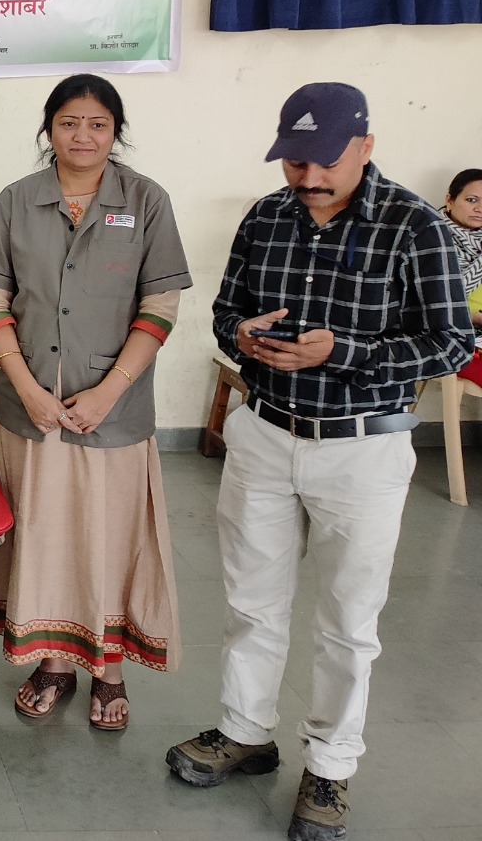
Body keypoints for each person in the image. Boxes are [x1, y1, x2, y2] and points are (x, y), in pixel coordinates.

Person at [166, 83, 473, 841]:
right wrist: (244, 334)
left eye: (325, 161)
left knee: (347, 619)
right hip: (265, 434)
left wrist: (345, 353)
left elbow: (452, 343)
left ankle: (330, 767)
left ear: (365, 146)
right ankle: (245, 731)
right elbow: (225, 309)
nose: (308, 178)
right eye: (295, 161)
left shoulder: (416, 227)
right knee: (251, 602)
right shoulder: (266, 216)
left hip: (363, 447)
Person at [0, 73, 190, 731]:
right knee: (42, 534)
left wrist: (109, 391)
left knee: (109, 538)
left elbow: (160, 305)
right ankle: (53, 662)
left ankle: (109, 670)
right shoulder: (17, 200)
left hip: (113, 412)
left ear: (115, 131)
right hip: (30, 407)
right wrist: (27, 387)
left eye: (97, 123)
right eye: (68, 122)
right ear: (49, 129)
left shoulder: (145, 201)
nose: (82, 135)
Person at [441, 168, 482, 331]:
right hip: (450, 333)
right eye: (472, 200)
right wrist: (470, 317)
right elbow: (420, 303)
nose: (480, 209)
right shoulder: (430, 238)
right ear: (450, 201)